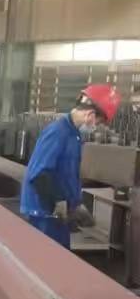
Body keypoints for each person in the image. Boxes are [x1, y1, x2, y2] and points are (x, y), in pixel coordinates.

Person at [18, 83, 121, 247]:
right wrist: (60, 202)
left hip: (58, 211)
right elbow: (39, 174)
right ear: (90, 114)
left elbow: (67, 174)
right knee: (49, 257)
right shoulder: (58, 132)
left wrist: (75, 204)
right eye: (99, 122)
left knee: (61, 255)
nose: (96, 127)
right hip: (45, 211)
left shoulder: (74, 135)